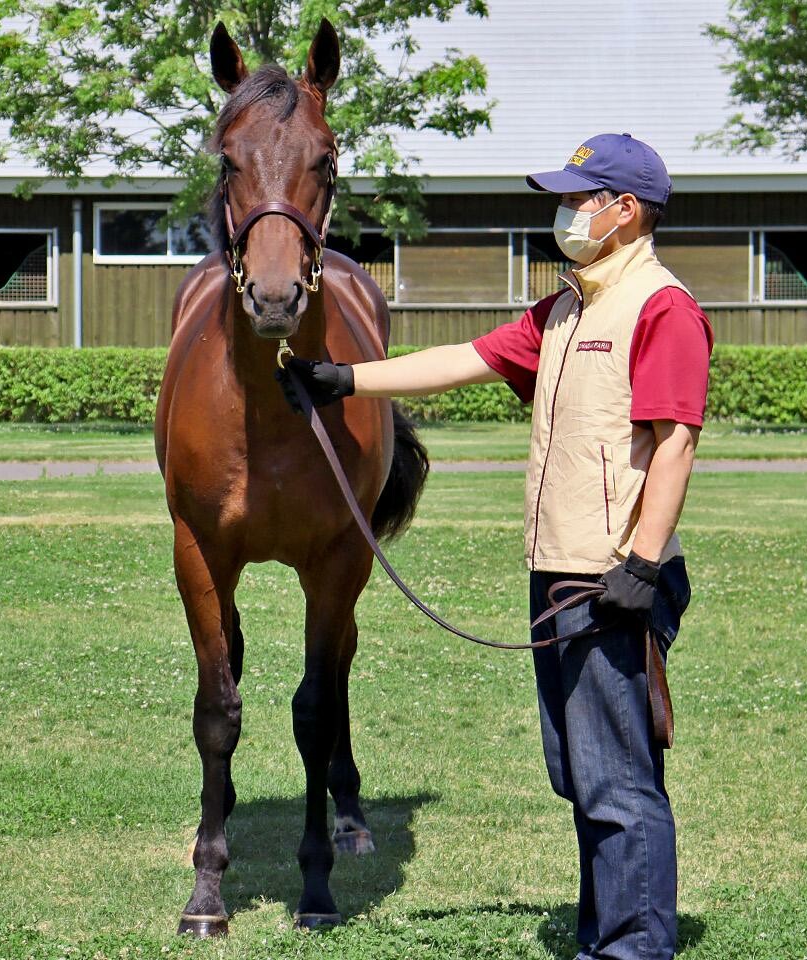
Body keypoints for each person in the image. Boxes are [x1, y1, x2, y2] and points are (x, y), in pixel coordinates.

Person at [280, 133, 713, 960]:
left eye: (581, 197)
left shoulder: (661, 307)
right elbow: (464, 360)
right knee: (581, 773)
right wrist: (343, 379)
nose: (567, 211)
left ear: (625, 211)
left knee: (619, 779)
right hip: (560, 571)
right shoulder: (567, 309)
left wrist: (644, 563)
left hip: (614, 576)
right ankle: (606, 936)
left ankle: (633, 948)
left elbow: (676, 442)